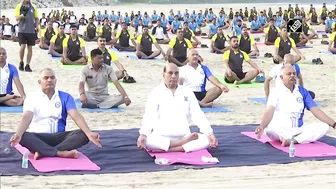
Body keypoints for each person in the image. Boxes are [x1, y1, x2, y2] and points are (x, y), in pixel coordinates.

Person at [9, 68, 102, 160]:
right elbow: (26, 117)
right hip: (38, 137)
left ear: (55, 81)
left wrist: (89, 133)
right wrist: (18, 134)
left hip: (59, 137)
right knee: (24, 136)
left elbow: (75, 115)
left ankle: (44, 152)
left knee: (83, 134)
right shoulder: (31, 98)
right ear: (39, 81)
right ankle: (59, 152)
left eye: (52, 78)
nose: (49, 80)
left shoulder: (65, 97)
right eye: (46, 78)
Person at [137, 63, 218, 153]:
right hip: (162, 135)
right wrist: (143, 134)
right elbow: (149, 115)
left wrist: (209, 133)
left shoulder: (187, 92)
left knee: (206, 140)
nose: (174, 76)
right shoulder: (155, 92)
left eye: (176, 73)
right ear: (164, 75)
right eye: (170, 73)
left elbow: (197, 114)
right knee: (148, 141)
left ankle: (172, 148)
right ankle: (180, 144)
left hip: (184, 135)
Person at [255, 64, 335, 147]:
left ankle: (293, 141)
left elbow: (316, 111)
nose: (292, 76)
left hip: (298, 130)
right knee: (268, 130)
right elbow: (269, 111)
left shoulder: (302, 91)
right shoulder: (275, 92)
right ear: (281, 77)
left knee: (325, 127)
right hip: (279, 130)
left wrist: (334, 124)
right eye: (289, 74)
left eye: (294, 73)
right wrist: (261, 127)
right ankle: (288, 139)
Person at [15, 0, 39, 72]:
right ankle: (21, 61)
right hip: (22, 30)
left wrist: (37, 26)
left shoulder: (33, 6)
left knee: (30, 48)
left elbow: (36, 18)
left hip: (31, 30)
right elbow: (16, 18)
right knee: (23, 46)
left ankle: (27, 65)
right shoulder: (19, 6)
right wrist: (22, 15)